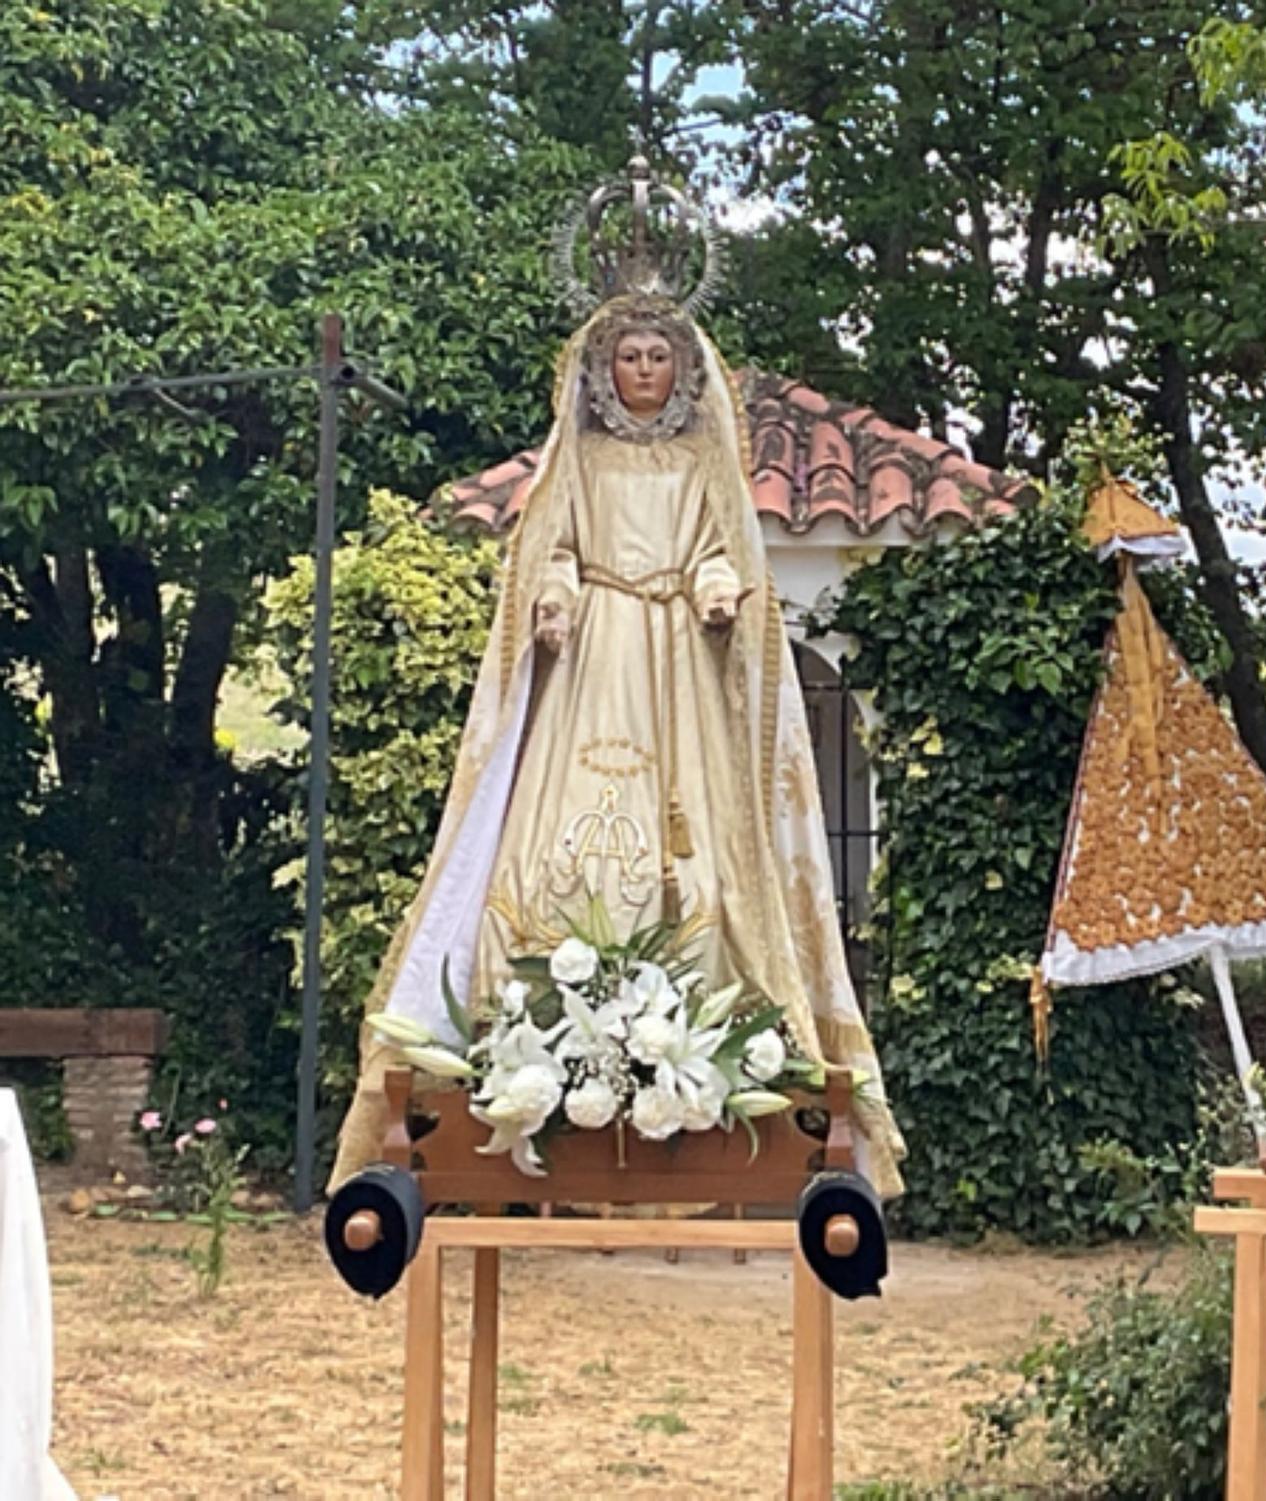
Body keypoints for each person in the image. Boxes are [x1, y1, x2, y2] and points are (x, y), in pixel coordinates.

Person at [328, 186, 904, 1195]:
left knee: (703, 853)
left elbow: (727, 549)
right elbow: (546, 550)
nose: (643, 370)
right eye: (628, 357)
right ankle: (529, 1030)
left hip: (678, 653)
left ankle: (702, 1030)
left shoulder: (698, 460)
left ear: (683, 372)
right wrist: (551, 597)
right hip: (593, 650)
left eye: (659, 357)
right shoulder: (578, 461)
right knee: (550, 842)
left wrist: (718, 589)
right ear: (601, 371)